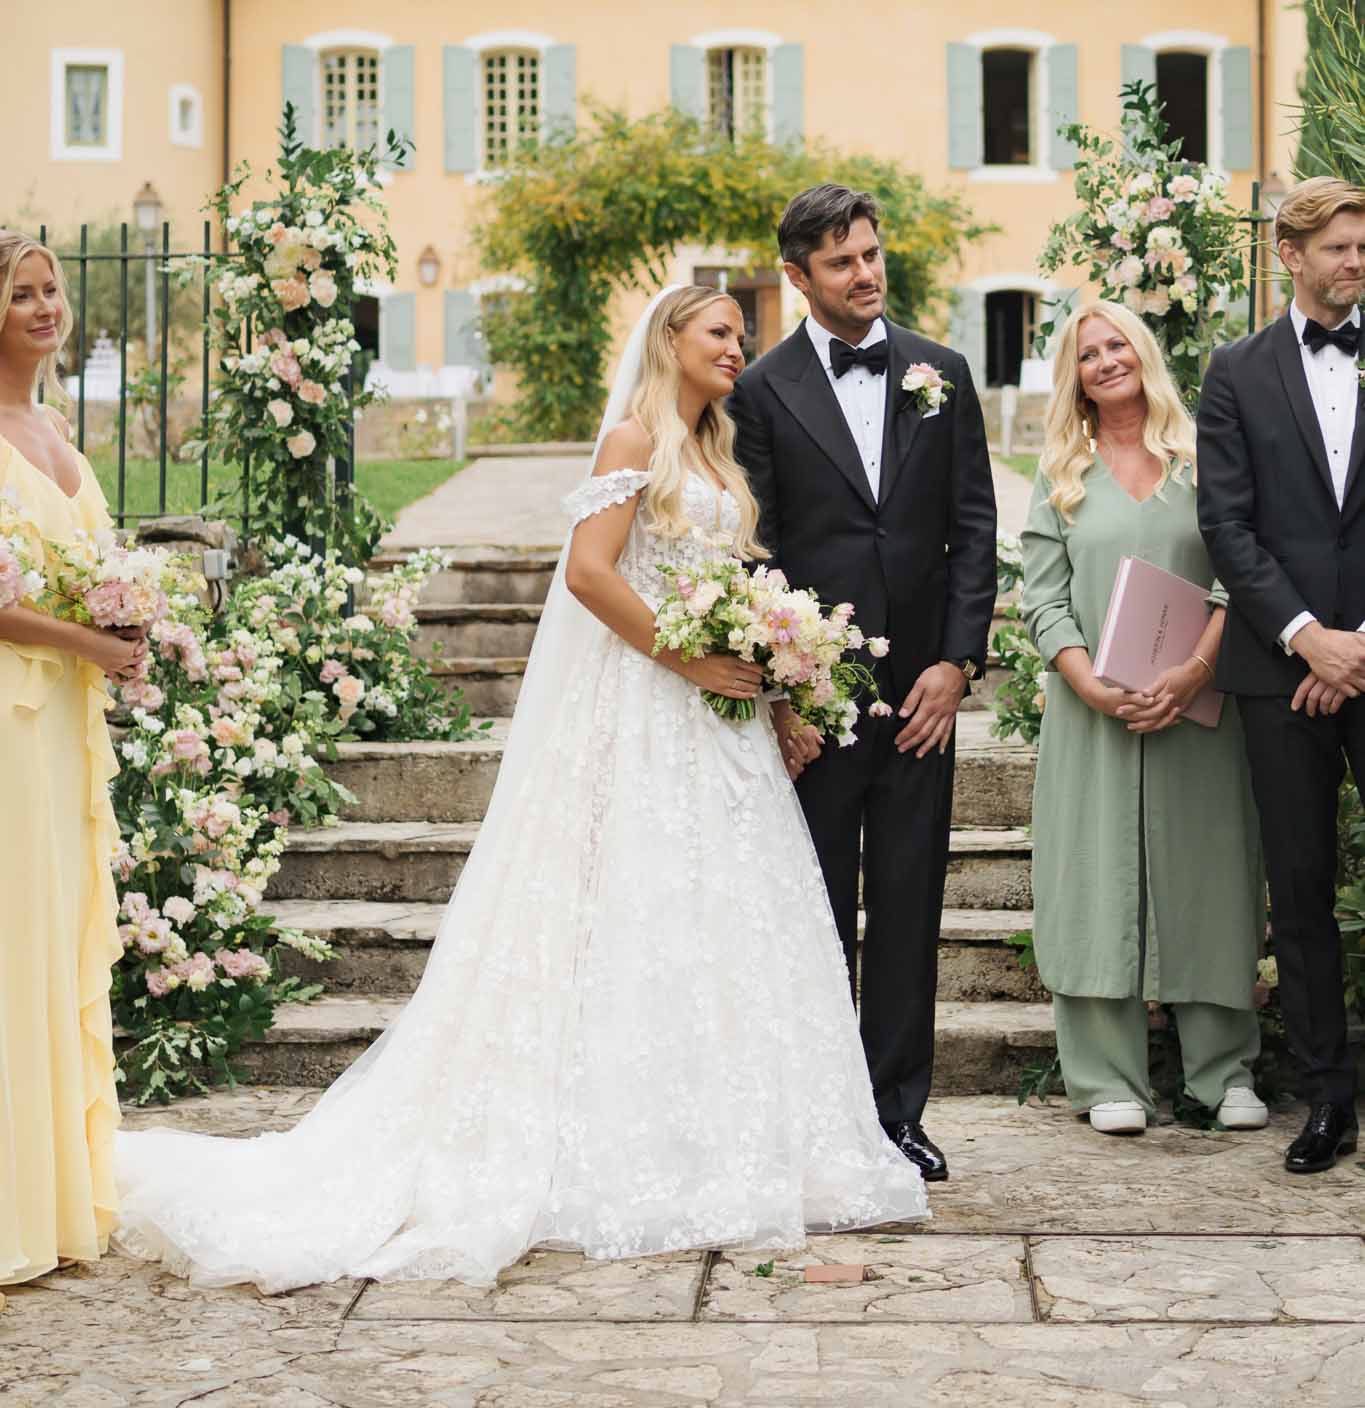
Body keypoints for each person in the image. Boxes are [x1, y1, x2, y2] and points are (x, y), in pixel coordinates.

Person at [114, 285, 926, 1291]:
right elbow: (590, 572)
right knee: (637, 908)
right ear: (669, 337)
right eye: (720, 330)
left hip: (719, 727)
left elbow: (734, 597)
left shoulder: (717, 452)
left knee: (720, 918)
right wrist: (690, 660)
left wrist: (775, 691)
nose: (737, 346)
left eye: (740, 333)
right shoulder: (632, 439)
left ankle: (723, 1139)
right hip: (652, 702)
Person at [729, 184, 997, 1184]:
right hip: (818, 701)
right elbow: (759, 551)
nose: (867, 273)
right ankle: (819, 1112)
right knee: (816, 913)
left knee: (909, 905)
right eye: (843, 262)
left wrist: (956, 661)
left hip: (924, 694)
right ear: (798, 276)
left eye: (873, 254)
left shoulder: (943, 370)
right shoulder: (759, 392)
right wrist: (785, 690)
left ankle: (898, 1115)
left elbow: (974, 528)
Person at [1022, 300, 1265, 1135]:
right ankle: (1104, 1077)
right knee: (1092, 877)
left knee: (1209, 874)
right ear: (1074, 377)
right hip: (1093, 715)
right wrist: (1085, 681)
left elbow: (1240, 569)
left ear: (1142, 351)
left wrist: (1198, 665)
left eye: (1115, 343)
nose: (1104, 360)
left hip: (1199, 707)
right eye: (1086, 353)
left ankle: (1223, 1070)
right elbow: (1042, 595)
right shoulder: (1060, 471)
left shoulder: (1203, 458)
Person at [1198, 175, 1365, 1174]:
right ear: (1288, 255)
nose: (1355, 259)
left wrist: (1358, 646)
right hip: (1282, 672)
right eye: (1338, 244)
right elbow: (1228, 523)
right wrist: (1309, 638)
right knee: (1298, 893)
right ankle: (1326, 1100)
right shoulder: (1236, 372)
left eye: (1362, 244)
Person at [0, 232, 146, 1292]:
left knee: (52, 940)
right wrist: (95, 641)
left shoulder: (54, 426)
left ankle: (50, 1194)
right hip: (11, 720)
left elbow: (87, 564)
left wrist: (133, 612)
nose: (47, 306)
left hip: (62, 729)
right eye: (23, 293)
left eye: (52, 287)